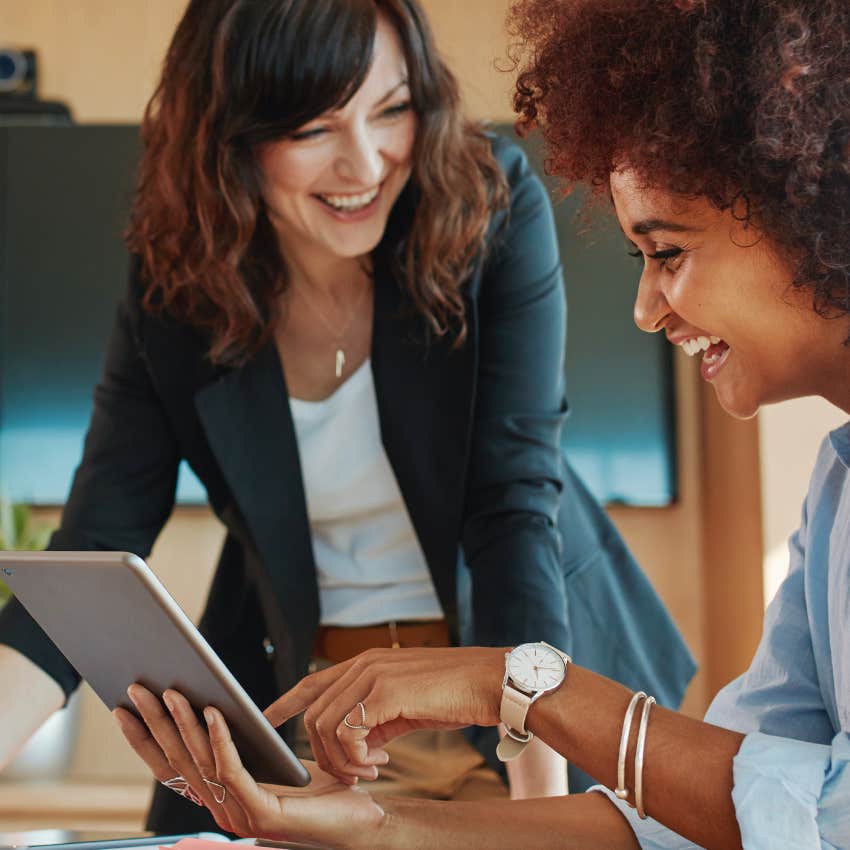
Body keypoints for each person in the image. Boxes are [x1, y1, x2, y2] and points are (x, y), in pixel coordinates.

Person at [115, 0, 850, 847]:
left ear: (816, 214)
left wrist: (525, 687)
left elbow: (819, 815)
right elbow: (734, 808)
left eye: (668, 253)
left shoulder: (483, 207)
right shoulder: (833, 489)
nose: (646, 309)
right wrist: (375, 826)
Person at [0, 0, 694, 833]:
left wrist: (541, 809)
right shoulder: (179, 281)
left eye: (391, 109)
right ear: (227, 137)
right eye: (313, 128)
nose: (365, 162)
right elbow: (92, 551)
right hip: (318, 718)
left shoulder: (488, 205)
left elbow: (511, 509)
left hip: (510, 701)